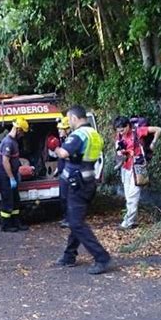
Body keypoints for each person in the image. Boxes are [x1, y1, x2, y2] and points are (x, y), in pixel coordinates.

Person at [54, 106, 112, 275]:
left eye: (69, 119)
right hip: (88, 181)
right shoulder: (95, 134)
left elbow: (64, 153)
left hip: (77, 184)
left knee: (76, 222)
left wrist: (56, 149)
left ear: (73, 118)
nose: (69, 122)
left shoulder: (79, 135)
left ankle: (102, 257)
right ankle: (69, 256)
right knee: (75, 220)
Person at [113, 116, 161, 230]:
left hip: (137, 167)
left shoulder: (138, 131)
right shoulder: (119, 135)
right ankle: (132, 219)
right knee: (128, 195)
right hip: (125, 167)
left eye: (122, 129)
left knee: (132, 196)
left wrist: (153, 143)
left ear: (128, 126)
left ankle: (128, 223)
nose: (120, 132)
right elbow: (119, 150)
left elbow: (158, 129)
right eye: (118, 130)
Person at [0, 117, 30, 233]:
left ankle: (16, 222)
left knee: (16, 200)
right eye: (23, 132)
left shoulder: (14, 141)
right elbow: (5, 161)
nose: (23, 135)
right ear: (19, 129)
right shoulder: (8, 142)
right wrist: (11, 178)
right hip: (5, 177)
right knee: (7, 201)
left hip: (12, 175)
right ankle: (5, 225)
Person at [54, 117, 71, 228]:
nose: (59, 131)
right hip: (62, 172)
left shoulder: (71, 141)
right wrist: (57, 168)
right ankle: (66, 218)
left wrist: (56, 149)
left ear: (67, 129)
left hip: (69, 173)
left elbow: (67, 156)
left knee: (68, 197)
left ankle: (70, 219)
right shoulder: (64, 140)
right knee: (63, 197)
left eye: (61, 129)